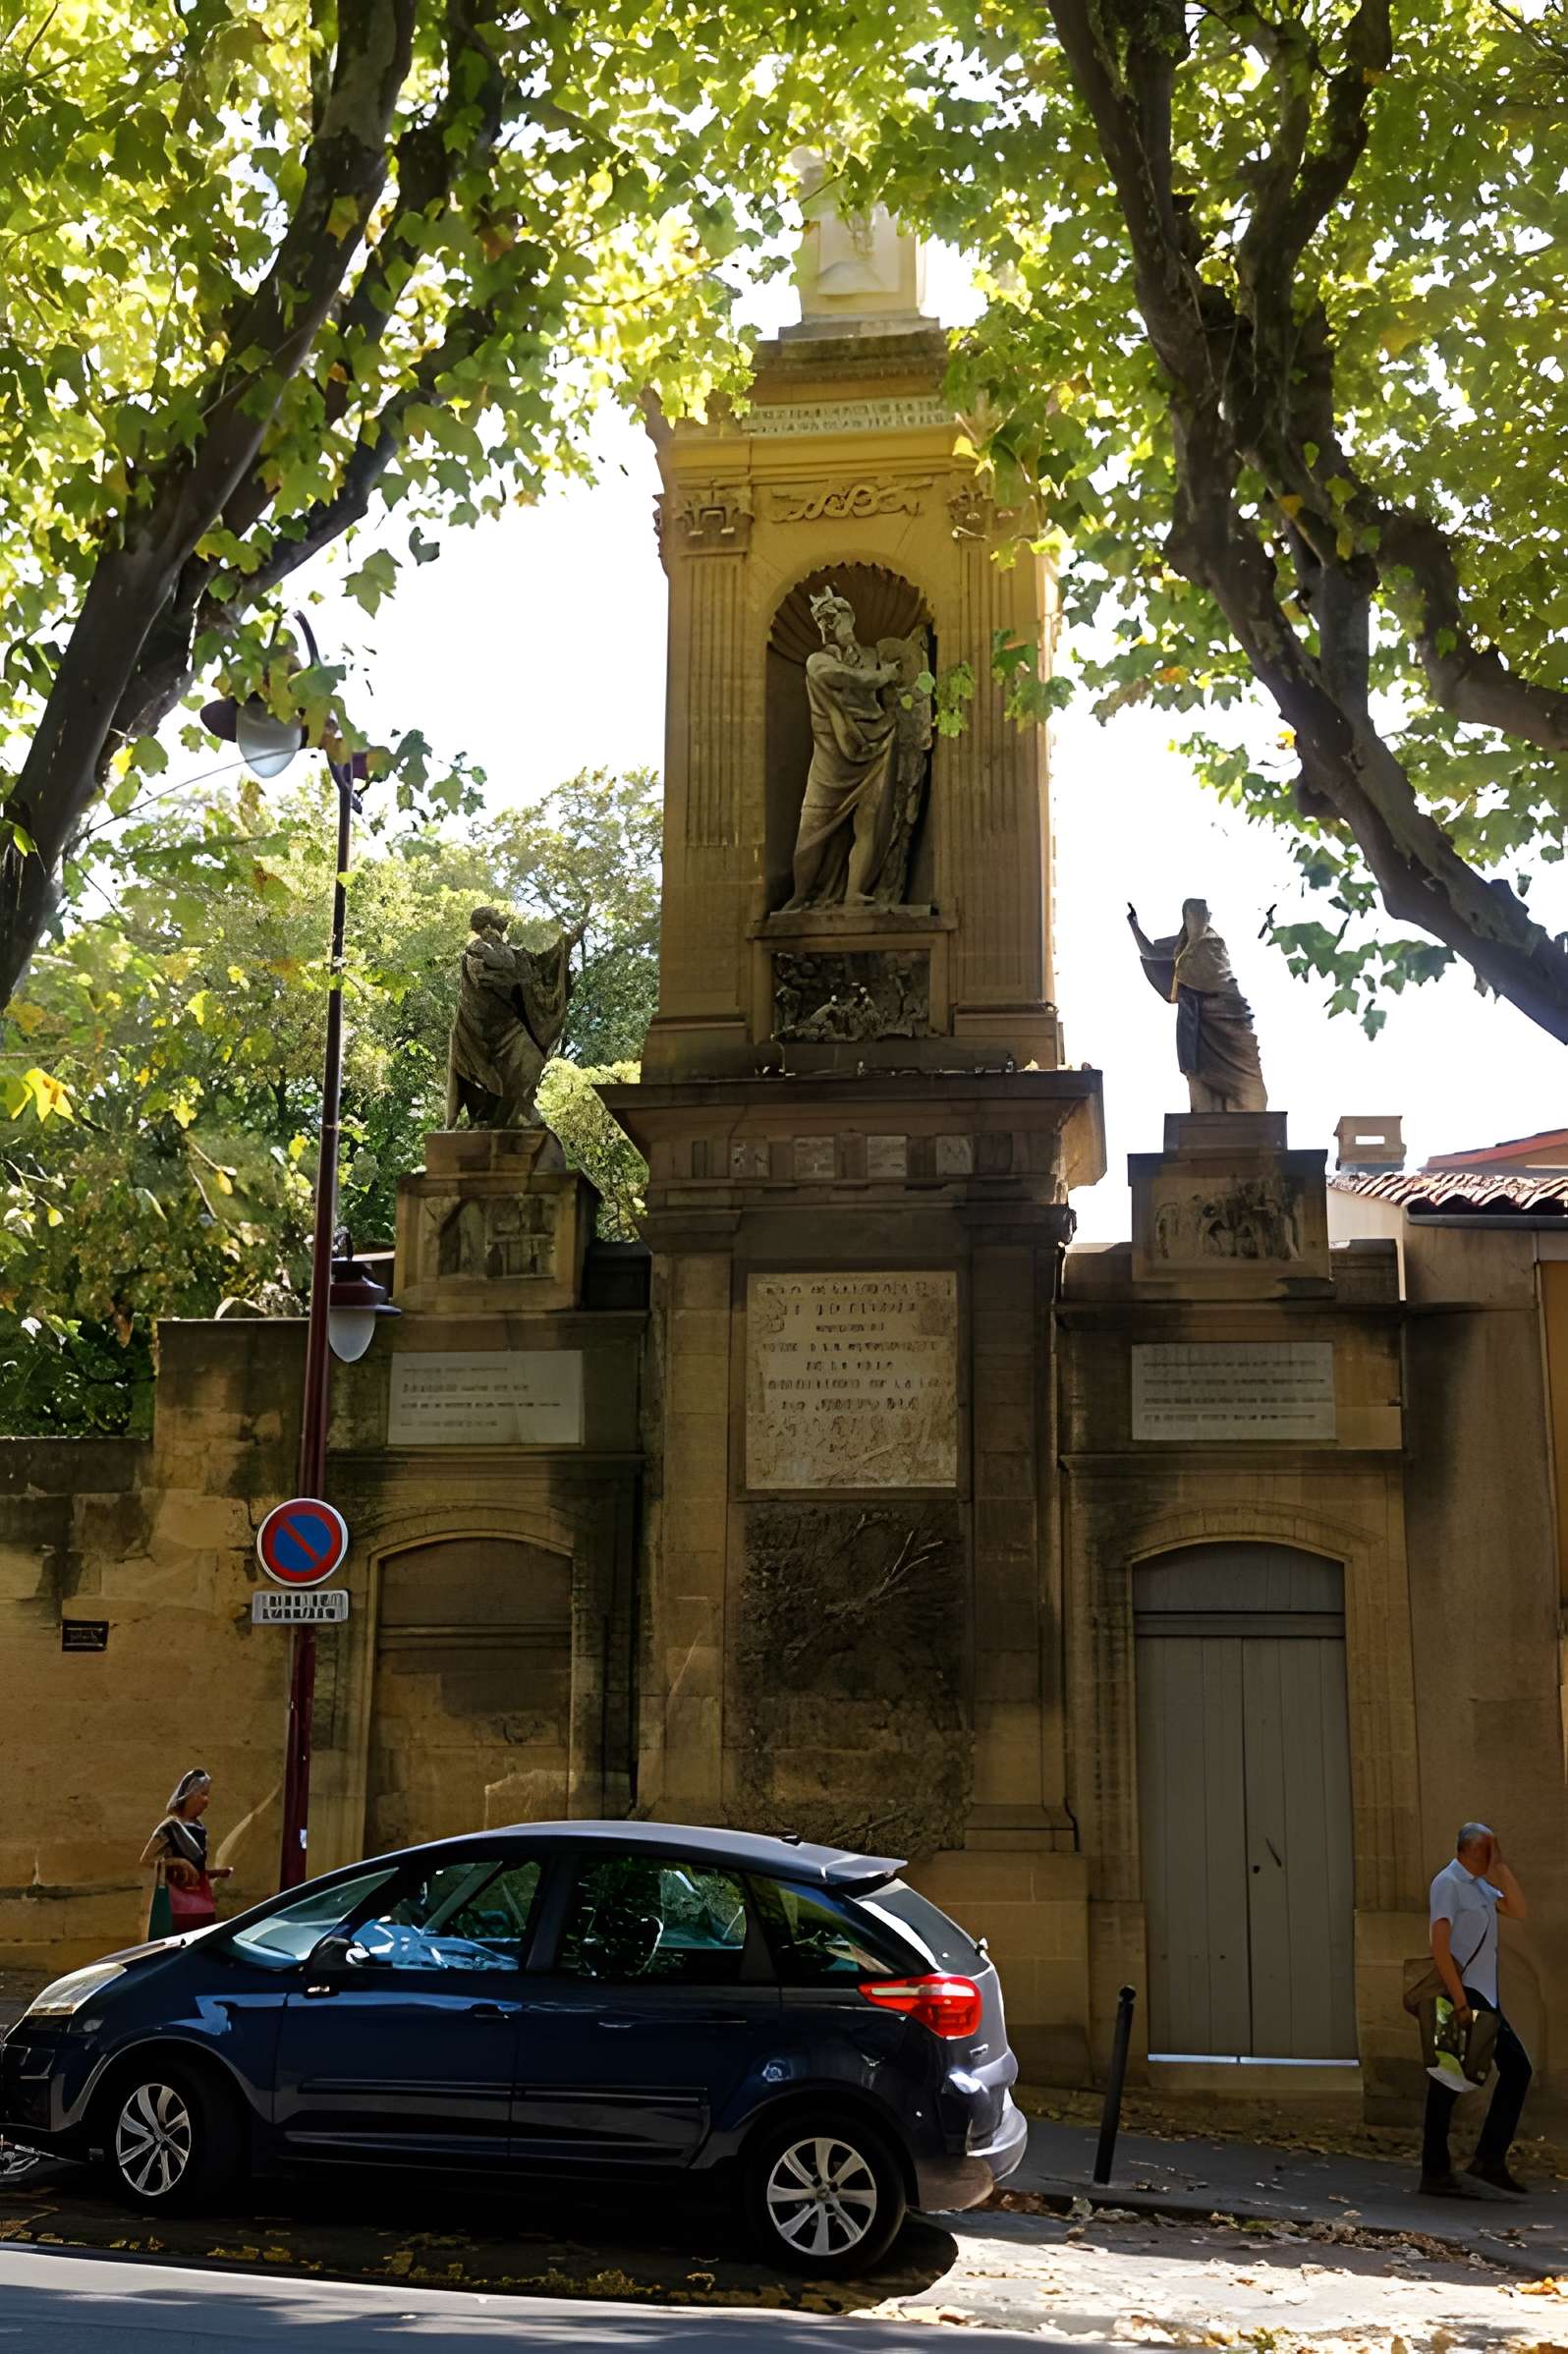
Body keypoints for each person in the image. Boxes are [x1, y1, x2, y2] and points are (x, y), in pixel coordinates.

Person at [1421, 1822, 1532, 2199]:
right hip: (1465, 1994)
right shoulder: (1448, 1884)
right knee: (1449, 2080)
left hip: (1484, 1995)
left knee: (1459, 2078)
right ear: (1470, 1850)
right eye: (1489, 1851)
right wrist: (1461, 2002)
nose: (1494, 1856)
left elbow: (1517, 1909)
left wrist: (1500, 1868)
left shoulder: (1479, 1885)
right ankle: (1446, 2169)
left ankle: (1484, 2160)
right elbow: (1439, 1944)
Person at [1127, 898, 1268, 1112]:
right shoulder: (1180, 949)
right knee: (1203, 1091)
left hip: (1231, 1023)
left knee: (1252, 1092)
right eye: (1194, 915)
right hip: (1197, 1027)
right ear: (1187, 919)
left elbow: (1223, 980)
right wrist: (1135, 927)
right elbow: (1154, 958)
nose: (1200, 919)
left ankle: (1245, 1127)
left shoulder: (1214, 943)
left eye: (1203, 913)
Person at [139, 1767, 234, 1937]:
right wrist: (179, 1863)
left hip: (203, 1902)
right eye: (203, 1794)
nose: (206, 1801)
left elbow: (198, 1871)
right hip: (178, 1905)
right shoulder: (170, 1827)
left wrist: (219, 1873)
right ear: (190, 1795)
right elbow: (146, 1860)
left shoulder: (200, 1828)